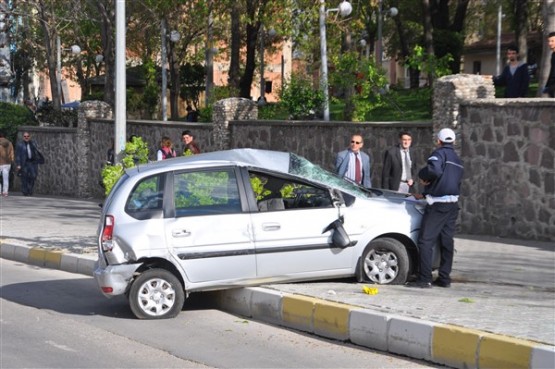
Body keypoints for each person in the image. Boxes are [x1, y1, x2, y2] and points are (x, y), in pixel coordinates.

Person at [406, 128, 464, 289]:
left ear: (438, 141)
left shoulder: (439, 154)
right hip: (452, 205)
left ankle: (424, 278)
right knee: (446, 241)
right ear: (453, 141)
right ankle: (445, 278)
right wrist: (426, 193)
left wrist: (423, 177)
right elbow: (451, 182)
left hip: (438, 206)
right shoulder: (458, 160)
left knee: (425, 241)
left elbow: (434, 170)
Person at [15, 132, 41, 196]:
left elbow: (36, 152)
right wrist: (18, 164)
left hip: (32, 162)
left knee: (33, 176)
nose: (26, 137)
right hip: (24, 163)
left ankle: (30, 188)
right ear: (23, 137)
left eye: (28, 136)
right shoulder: (20, 145)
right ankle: (25, 191)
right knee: (24, 177)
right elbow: (18, 155)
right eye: (25, 136)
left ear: (30, 136)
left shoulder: (33, 143)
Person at [0, 131, 15, 197]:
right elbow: (12, 153)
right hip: (7, 163)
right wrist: (11, 160)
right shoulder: (10, 143)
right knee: (5, 178)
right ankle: (5, 192)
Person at [542, 32, 555, 97]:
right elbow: (552, 71)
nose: (550, 43)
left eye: (552, 41)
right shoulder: (553, 55)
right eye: (549, 41)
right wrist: (547, 86)